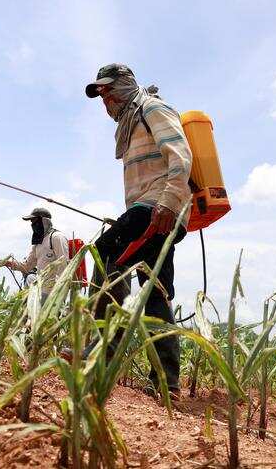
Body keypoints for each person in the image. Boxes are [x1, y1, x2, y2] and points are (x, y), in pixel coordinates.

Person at [79, 63, 192, 398]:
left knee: (105, 254)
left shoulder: (152, 109)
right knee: (155, 290)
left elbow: (181, 156)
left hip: (159, 206)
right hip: (153, 209)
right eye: (102, 95)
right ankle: (166, 383)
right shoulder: (130, 124)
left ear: (126, 85)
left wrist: (168, 202)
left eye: (109, 90)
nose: (106, 100)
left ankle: (101, 352)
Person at [3, 207, 69, 301]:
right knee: (30, 279)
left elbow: (64, 267)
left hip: (52, 292)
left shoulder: (56, 238)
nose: (33, 225)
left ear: (44, 221)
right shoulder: (38, 243)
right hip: (40, 289)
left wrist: (58, 294)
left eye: (34, 221)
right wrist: (6, 263)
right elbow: (26, 267)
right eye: (32, 222)